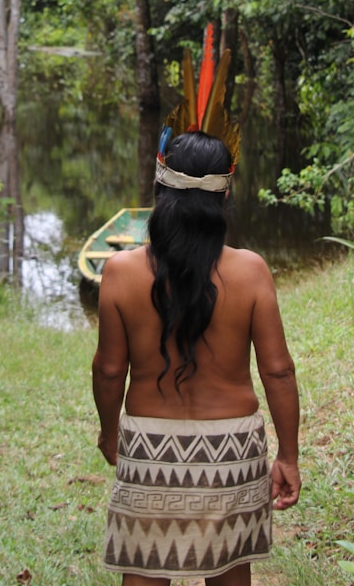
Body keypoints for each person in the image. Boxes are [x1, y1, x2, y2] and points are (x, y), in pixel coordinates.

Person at [92, 130, 301, 586]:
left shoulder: (120, 272)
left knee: (144, 571)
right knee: (230, 574)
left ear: (160, 187)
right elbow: (278, 369)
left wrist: (111, 434)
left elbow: (110, 370)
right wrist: (288, 454)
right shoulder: (250, 271)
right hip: (232, 451)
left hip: (150, 448)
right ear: (224, 194)